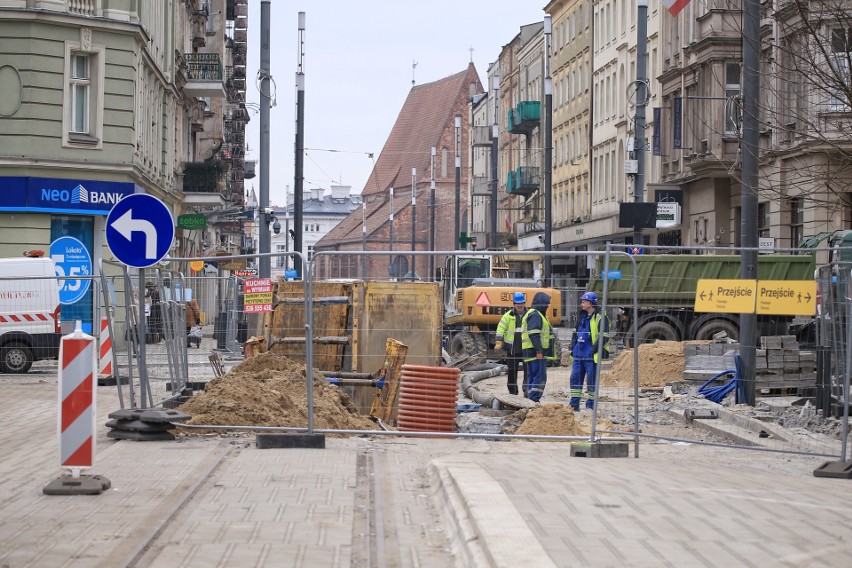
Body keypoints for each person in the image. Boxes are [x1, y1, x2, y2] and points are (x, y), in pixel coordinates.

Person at [568, 291, 611, 411]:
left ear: (591, 303)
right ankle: (574, 406)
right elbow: (575, 333)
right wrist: (573, 348)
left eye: (584, 301)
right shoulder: (582, 316)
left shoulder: (600, 317)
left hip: (591, 356)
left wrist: (593, 350)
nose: (581, 303)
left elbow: (604, 336)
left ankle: (590, 406)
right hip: (579, 355)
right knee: (575, 380)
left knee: (592, 382)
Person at [521, 291, 554, 402]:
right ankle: (534, 400)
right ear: (541, 303)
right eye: (546, 304)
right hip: (536, 353)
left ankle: (530, 400)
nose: (547, 306)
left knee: (532, 377)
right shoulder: (535, 315)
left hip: (531, 352)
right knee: (539, 377)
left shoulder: (534, 313)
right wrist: (539, 351)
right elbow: (534, 334)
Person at [495, 291, 527, 395]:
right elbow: (500, 328)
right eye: (518, 303)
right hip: (512, 350)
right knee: (512, 372)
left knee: (528, 371)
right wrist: (498, 342)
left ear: (524, 303)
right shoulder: (507, 316)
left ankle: (527, 390)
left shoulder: (529, 315)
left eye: (522, 303)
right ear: (514, 304)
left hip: (526, 349)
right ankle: (513, 393)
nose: (520, 305)